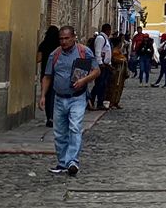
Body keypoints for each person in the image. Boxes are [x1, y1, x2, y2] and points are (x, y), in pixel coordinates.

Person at [38, 25, 103, 176]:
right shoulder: (55, 55)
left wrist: (84, 80)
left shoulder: (83, 52)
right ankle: (62, 163)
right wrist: (43, 96)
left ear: (74, 37)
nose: (64, 42)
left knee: (74, 128)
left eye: (67, 38)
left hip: (77, 97)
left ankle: (72, 161)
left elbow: (96, 71)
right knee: (59, 132)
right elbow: (47, 76)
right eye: (61, 39)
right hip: (59, 98)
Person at [35, 25, 60, 127]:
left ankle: (49, 117)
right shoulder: (59, 45)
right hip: (58, 73)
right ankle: (55, 117)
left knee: (47, 95)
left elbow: (38, 59)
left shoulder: (43, 45)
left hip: (46, 73)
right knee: (56, 96)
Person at [89, 25, 114, 109]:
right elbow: (98, 52)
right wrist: (100, 63)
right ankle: (95, 101)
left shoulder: (105, 39)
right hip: (101, 65)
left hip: (105, 65)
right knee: (99, 84)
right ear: (107, 30)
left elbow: (107, 51)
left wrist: (109, 64)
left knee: (102, 85)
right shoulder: (100, 38)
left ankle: (97, 101)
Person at [108, 35, 130, 109]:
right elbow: (114, 60)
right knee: (114, 87)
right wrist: (121, 60)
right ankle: (112, 102)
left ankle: (116, 101)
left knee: (119, 88)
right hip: (117, 72)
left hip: (121, 72)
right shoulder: (114, 51)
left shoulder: (120, 51)